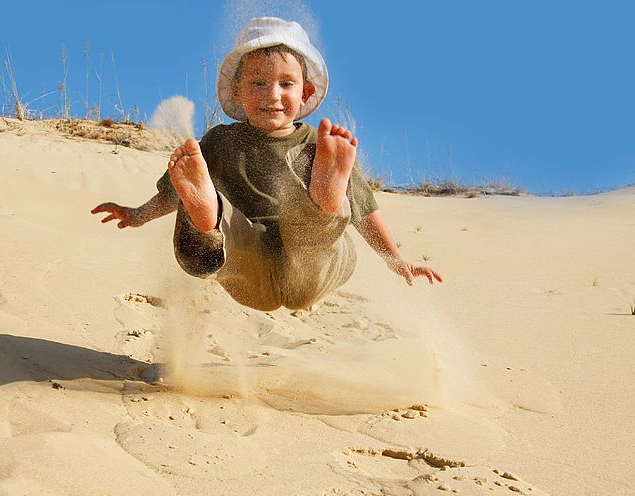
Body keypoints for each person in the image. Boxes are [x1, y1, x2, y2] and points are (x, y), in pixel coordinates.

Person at [91, 16, 442, 311]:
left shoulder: (321, 147)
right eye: (257, 83)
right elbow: (172, 193)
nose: (272, 94)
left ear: (305, 93)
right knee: (217, 218)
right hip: (248, 264)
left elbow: (365, 210)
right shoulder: (220, 142)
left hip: (308, 267)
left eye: (285, 83)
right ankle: (208, 214)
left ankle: (323, 202)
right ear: (238, 92)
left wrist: (395, 258)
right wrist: (137, 214)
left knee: (317, 230)